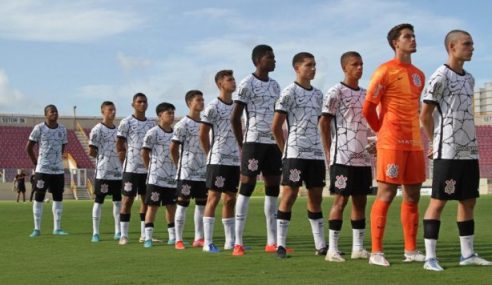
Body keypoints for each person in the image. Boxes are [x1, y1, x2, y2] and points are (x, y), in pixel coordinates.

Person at [420, 30, 492, 271]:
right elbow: (425, 116)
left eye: (471, 43)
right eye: (467, 44)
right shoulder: (440, 76)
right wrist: (434, 141)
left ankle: (467, 254)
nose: (472, 48)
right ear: (452, 46)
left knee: (468, 201)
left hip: (469, 150)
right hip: (448, 150)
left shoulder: (469, 78)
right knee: (439, 202)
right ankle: (430, 258)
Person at [362, 23, 426, 266]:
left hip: (415, 143)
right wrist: (382, 131)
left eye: (413, 35)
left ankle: (410, 250)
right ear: (395, 43)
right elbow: (368, 108)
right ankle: (376, 252)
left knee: (413, 194)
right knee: (386, 193)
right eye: (407, 37)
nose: (413, 39)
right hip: (391, 142)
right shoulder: (384, 71)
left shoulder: (419, 74)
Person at [230, 44, 284, 255]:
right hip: (253, 141)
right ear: (258, 61)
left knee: (273, 187)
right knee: (247, 185)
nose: (274, 60)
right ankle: (238, 242)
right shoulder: (247, 83)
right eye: (270, 57)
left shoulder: (276, 85)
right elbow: (235, 117)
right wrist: (242, 144)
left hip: (272, 144)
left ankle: (272, 241)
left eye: (274, 57)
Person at [320, 51, 373, 262]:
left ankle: (358, 248)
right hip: (342, 156)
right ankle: (332, 249)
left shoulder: (366, 93)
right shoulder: (336, 92)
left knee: (360, 202)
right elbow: (324, 123)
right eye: (355, 64)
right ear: (344, 67)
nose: (359, 68)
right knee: (340, 201)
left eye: (361, 64)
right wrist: (328, 150)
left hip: (363, 157)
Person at [272, 52, 326, 258]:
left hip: (315, 153)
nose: (313, 69)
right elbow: (275, 126)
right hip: (295, 152)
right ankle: (281, 245)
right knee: (290, 194)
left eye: (314, 65)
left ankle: (320, 245)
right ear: (297, 68)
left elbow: (321, 124)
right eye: (308, 65)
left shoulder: (319, 94)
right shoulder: (289, 92)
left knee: (316, 197)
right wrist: (286, 150)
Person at [199, 70, 240, 253]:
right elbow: (202, 134)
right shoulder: (212, 107)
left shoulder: (238, 107)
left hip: (234, 160)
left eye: (233, 79)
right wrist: (211, 154)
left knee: (230, 199)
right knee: (213, 198)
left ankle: (230, 241)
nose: (233, 82)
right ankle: (207, 242)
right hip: (218, 159)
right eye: (229, 79)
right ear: (220, 84)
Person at [170, 90, 208, 250]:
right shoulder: (182, 124)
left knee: (201, 205)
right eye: (198, 100)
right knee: (182, 204)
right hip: (186, 171)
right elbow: (173, 148)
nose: (202, 102)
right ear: (189, 103)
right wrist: (179, 165)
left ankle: (199, 237)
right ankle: (178, 239)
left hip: (203, 172)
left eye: (202, 99)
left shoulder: (206, 123)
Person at [116, 93, 155, 245]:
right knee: (127, 200)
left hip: (147, 169)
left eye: (145, 101)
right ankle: (124, 235)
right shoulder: (126, 122)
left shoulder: (152, 124)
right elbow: (119, 144)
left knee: (146, 201)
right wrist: (124, 160)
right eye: (139, 102)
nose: (142, 104)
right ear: (133, 104)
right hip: (131, 169)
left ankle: (144, 234)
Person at [26, 104, 68, 237]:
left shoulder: (62, 129)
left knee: (58, 198)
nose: (55, 114)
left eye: (56, 111)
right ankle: (37, 229)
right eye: (52, 112)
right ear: (46, 114)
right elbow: (29, 148)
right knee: (39, 197)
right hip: (43, 169)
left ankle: (57, 228)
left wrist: (57, 160)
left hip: (58, 170)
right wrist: (36, 162)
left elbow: (62, 147)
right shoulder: (39, 128)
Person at [141, 102, 178, 248]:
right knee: (152, 206)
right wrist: (150, 168)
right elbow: (144, 152)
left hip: (171, 178)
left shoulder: (176, 133)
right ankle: (148, 238)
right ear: (160, 115)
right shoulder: (153, 132)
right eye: (168, 113)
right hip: (156, 177)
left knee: (171, 206)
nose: (172, 115)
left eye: (173, 113)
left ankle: (172, 237)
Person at [88, 101, 122, 242]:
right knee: (99, 201)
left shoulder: (118, 130)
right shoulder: (97, 129)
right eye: (110, 110)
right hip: (103, 172)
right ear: (103, 111)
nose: (113, 112)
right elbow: (91, 151)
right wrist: (104, 158)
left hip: (117, 172)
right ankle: (96, 233)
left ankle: (118, 231)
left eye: (114, 110)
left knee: (118, 202)